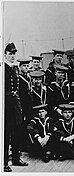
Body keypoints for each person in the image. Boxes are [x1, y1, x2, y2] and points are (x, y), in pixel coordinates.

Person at [4, 43, 28, 172]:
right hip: (6, 102)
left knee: (16, 130)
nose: (12, 56)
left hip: (15, 102)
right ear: (5, 54)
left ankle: (16, 158)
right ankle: (3, 162)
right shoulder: (3, 68)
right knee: (6, 133)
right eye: (10, 54)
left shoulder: (15, 68)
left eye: (14, 54)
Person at [17, 58, 33, 151]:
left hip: (28, 105)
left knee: (28, 123)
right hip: (22, 104)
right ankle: (21, 145)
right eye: (24, 66)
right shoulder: (19, 78)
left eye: (27, 66)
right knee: (22, 125)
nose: (26, 68)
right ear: (20, 67)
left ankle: (27, 143)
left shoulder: (28, 76)